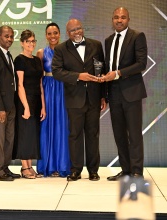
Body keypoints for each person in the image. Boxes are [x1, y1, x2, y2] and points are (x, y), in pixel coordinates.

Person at [52, 19, 107, 181]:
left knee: (93, 135)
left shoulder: (96, 45)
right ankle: (75, 170)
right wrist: (78, 76)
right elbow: (56, 72)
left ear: (83, 29)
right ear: (67, 33)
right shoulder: (61, 49)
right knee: (75, 135)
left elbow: (102, 70)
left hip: (93, 98)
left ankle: (93, 170)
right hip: (74, 99)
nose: (77, 32)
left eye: (79, 28)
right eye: (72, 30)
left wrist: (103, 95)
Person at [102, 7, 147, 180]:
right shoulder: (108, 40)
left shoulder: (137, 36)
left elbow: (141, 64)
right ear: (112, 19)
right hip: (114, 94)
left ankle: (136, 171)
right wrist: (104, 93)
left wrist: (118, 73)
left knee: (134, 134)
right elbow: (108, 67)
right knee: (119, 134)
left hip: (132, 93)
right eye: (116, 17)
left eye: (122, 17)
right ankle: (126, 170)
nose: (119, 20)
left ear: (128, 19)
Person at [0, 25, 21, 181]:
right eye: (6, 36)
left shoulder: (8, 55)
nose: (9, 39)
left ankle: (5, 168)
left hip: (11, 105)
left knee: (8, 139)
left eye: (12, 36)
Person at [36, 23, 70, 177]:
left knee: (62, 127)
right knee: (47, 127)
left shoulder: (67, 51)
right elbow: (39, 78)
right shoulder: (41, 53)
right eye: (49, 33)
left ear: (60, 33)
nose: (53, 36)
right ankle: (48, 165)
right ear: (46, 35)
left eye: (55, 33)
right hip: (48, 92)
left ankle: (62, 165)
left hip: (63, 90)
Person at [13, 29, 46, 179]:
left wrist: (43, 106)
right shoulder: (19, 60)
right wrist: (25, 106)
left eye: (33, 41)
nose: (31, 44)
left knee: (33, 134)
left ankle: (30, 166)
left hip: (37, 100)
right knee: (25, 133)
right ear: (22, 43)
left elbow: (40, 84)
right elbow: (20, 85)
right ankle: (24, 167)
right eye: (28, 41)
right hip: (24, 100)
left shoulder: (37, 60)